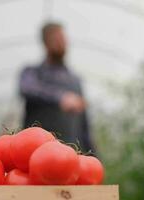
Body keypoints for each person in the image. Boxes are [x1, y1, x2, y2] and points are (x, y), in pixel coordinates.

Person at [18, 22, 95, 153]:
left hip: (71, 153)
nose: (61, 43)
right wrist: (61, 97)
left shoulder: (75, 80)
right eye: (56, 39)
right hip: (36, 150)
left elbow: (84, 127)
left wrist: (94, 158)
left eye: (63, 39)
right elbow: (27, 88)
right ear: (45, 42)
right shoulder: (32, 72)